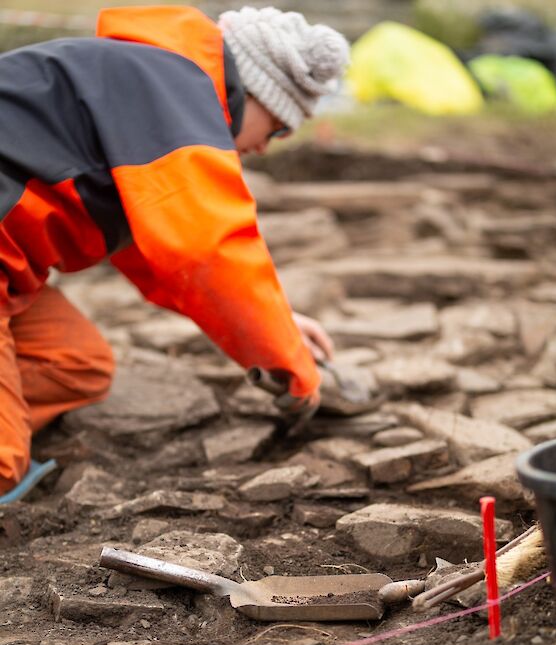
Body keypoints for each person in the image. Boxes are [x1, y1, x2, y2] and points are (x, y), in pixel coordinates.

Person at [0, 5, 349, 503]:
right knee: (3, 464)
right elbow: (207, 250)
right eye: (276, 129)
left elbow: (160, 254)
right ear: (252, 93)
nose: (267, 148)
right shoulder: (169, 86)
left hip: (9, 271)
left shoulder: (152, 88)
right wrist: (290, 367)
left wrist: (281, 324)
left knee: (75, 363)